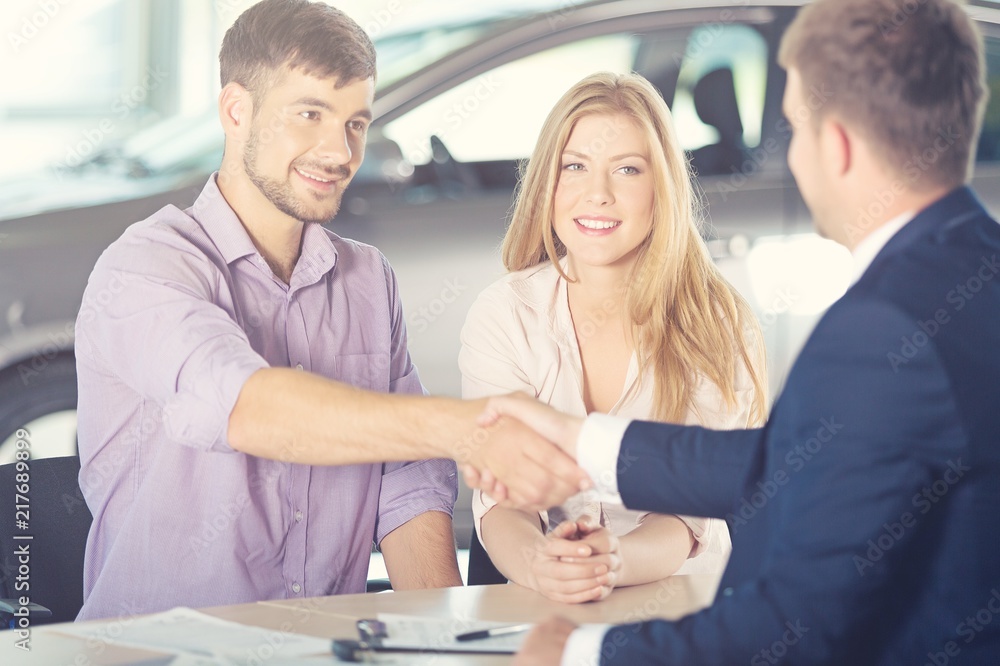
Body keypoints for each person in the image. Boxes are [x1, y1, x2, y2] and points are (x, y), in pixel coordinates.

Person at [468, 0, 1000, 663]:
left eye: (795, 130)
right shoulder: (978, 265)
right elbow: (786, 464)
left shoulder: (878, 328)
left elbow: (797, 623)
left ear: (833, 146)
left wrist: (583, 654)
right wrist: (585, 441)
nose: (794, 160)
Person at [74, 0, 587, 621]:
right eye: (310, 114)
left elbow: (407, 480)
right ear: (237, 111)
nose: (340, 152)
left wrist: (443, 639)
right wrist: (469, 429)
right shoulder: (146, 268)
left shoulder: (368, 278)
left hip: (327, 647)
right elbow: (247, 407)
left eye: (355, 123)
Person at [459, 72, 767, 603]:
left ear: (660, 187)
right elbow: (502, 498)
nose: (597, 194)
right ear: (547, 185)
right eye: (574, 167)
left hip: (682, 607)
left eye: (626, 169)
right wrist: (542, 564)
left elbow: (687, 512)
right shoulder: (504, 313)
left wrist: (610, 561)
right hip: (540, 609)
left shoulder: (715, 322)